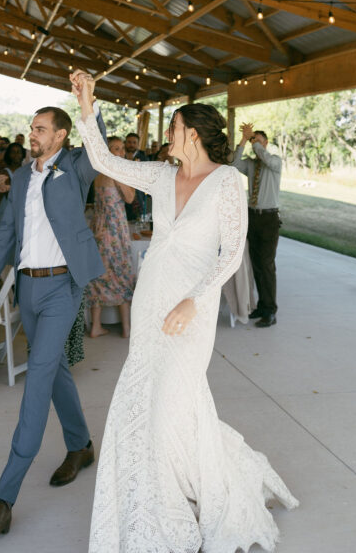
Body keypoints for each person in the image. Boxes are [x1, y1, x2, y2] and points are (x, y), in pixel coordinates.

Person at [72, 71, 298, 552]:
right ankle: (159, 496)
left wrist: (194, 300)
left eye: (171, 129)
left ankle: (194, 493)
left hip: (192, 306)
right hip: (152, 298)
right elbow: (103, 158)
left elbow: (231, 253)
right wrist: (87, 107)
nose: (165, 137)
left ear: (191, 134)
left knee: (176, 399)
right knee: (152, 400)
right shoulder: (158, 174)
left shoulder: (226, 183)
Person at [0, 104, 108, 539]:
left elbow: (98, 148)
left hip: (65, 288)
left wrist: (89, 104)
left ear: (61, 135)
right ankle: (80, 446)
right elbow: (6, 234)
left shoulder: (77, 169)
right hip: (28, 289)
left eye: (41, 129)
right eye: (31, 128)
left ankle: (3, 499)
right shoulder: (22, 176)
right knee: (56, 367)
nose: (33, 134)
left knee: (39, 377)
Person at [232, 124, 284, 328]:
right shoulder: (251, 164)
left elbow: (266, 158)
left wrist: (255, 144)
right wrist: (243, 140)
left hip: (269, 219)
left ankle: (271, 310)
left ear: (266, 143)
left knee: (267, 265)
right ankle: (261, 306)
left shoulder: (275, 162)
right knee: (256, 266)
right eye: (254, 141)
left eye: (258, 141)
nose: (255, 145)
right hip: (252, 217)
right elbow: (234, 163)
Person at [85, 136, 135, 339]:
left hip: (99, 229)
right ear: (107, 152)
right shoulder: (115, 172)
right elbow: (130, 198)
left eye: (122, 148)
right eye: (116, 148)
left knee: (99, 276)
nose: (121, 152)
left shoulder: (97, 174)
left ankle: (96, 326)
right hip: (114, 231)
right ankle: (126, 328)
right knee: (121, 273)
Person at [123, 131, 146, 221]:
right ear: (125, 143)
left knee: (137, 220)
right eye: (129, 142)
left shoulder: (143, 157)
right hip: (122, 192)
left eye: (134, 142)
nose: (131, 145)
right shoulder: (121, 154)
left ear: (138, 144)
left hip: (138, 194)